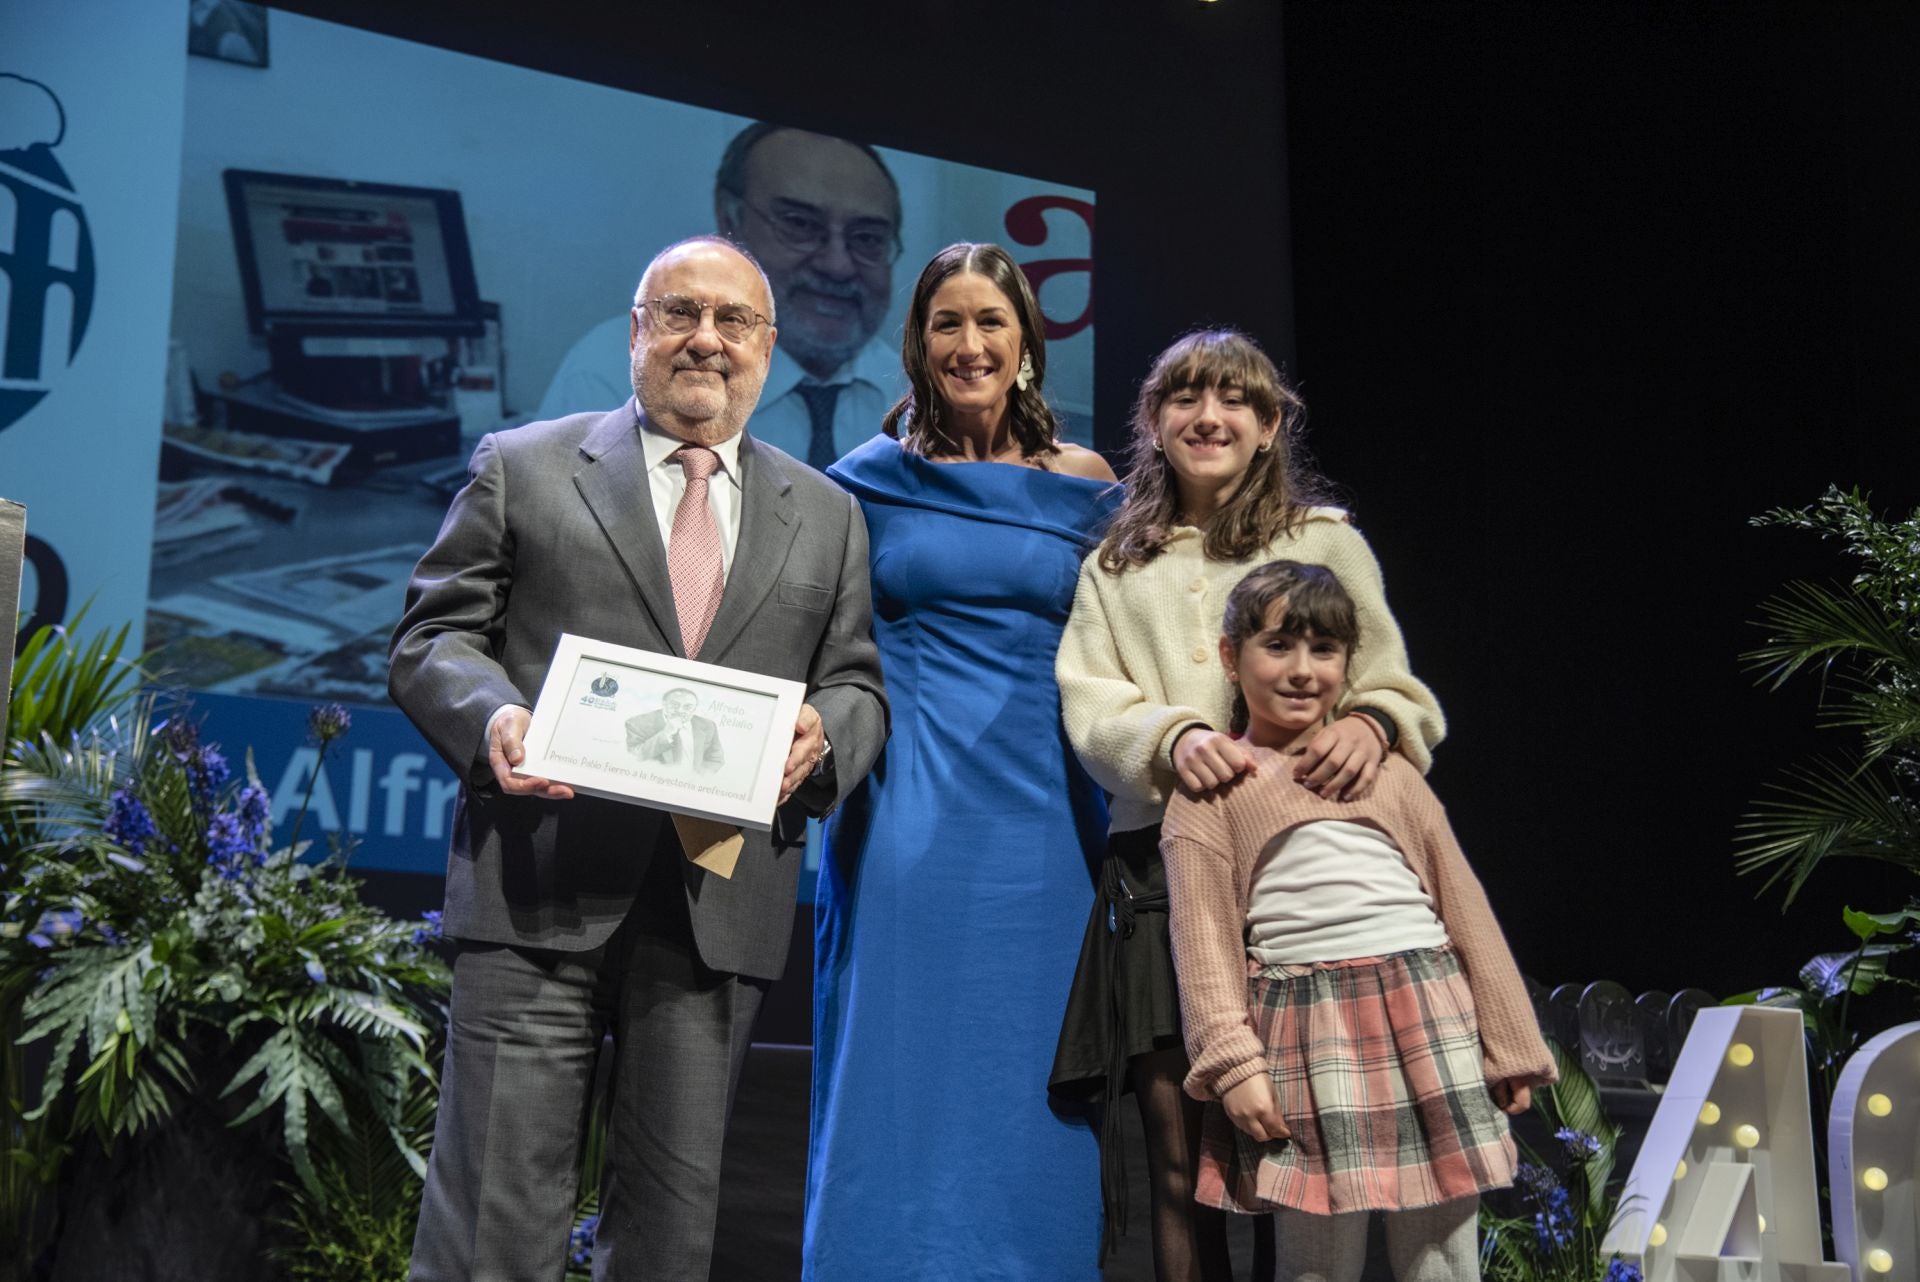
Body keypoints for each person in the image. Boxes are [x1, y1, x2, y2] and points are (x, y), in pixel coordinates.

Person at [391, 235, 888, 1282]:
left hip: (716, 905)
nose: (705, 339)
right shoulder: (525, 465)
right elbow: (433, 639)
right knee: (494, 1219)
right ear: (634, 333)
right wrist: (494, 721)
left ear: (768, 347)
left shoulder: (831, 514)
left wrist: (826, 733)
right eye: (679, 313)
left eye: (734, 321)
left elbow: (855, 682)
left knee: (668, 1237)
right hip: (539, 883)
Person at [1050, 328, 1447, 1279]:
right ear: (1154, 421)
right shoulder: (1115, 561)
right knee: (1180, 1161)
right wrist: (1172, 736)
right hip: (1159, 873)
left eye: (1234, 400)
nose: (1209, 416)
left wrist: (1378, 723)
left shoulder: (1322, 539)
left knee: (1286, 1145)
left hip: (1299, 878)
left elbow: (1387, 675)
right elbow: (1090, 695)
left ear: (1270, 427)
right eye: (1185, 397)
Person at [805, 242, 1119, 1280]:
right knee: (897, 1071)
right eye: (948, 322)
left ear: (1025, 340)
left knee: (1031, 1082)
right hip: (908, 812)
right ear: (919, 341)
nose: (970, 342)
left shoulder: (1088, 485)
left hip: (1048, 824)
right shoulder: (863, 481)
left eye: (991, 320)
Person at [1162, 561, 1553, 1281]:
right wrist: (1234, 1065)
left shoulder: (1389, 773)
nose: (1303, 670)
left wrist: (1509, 1043)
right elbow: (1204, 947)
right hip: (1308, 1032)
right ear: (1230, 656)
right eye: (1278, 646)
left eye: (1324, 650)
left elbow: (1465, 910)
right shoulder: (1212, 797)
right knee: (1316, 1261)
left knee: (1441, 1252)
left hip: (1427, 1013)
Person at [537, 123, 904, 470]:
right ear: (729, 218)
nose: (837, 265)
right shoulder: (607, 372)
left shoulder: (912, 393)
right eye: (799, 224)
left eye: (867, 238)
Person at [625, 686, 725, 773]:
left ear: (695, 709)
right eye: (674, 705)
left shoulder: (708, 726)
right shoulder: (638, 723)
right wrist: (666, 733)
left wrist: (696, 779)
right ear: (664, 704)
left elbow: (716, 759)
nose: (680, 710)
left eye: (688, 707)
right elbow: (634, 756)